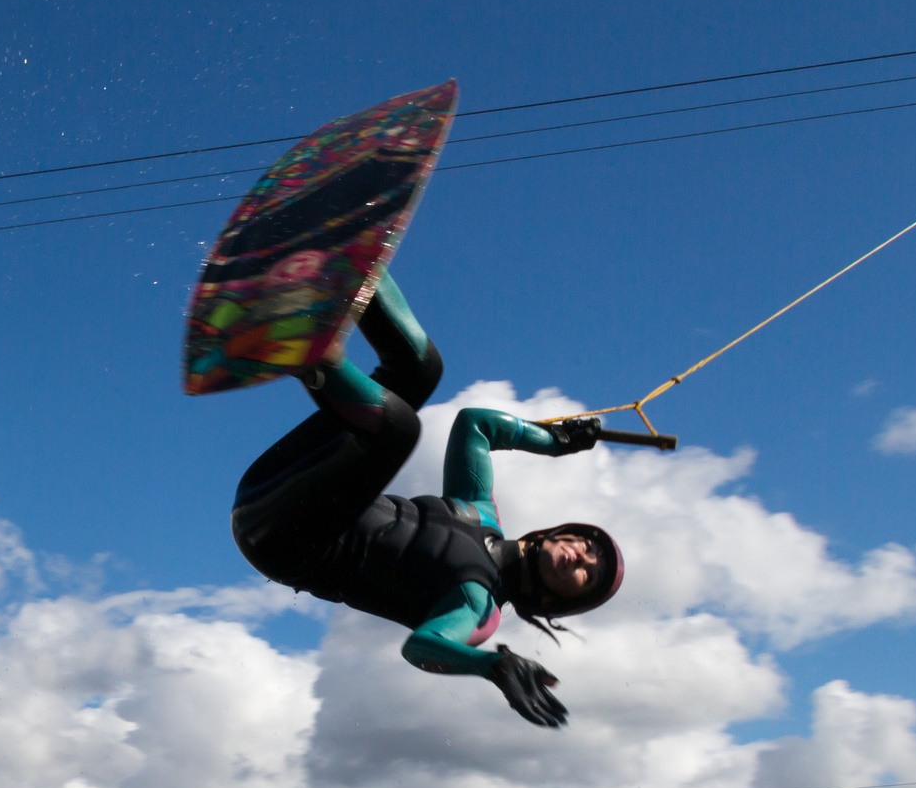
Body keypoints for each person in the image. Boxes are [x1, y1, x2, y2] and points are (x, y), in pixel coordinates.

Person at [229, 274, 623, 728]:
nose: (582, 558)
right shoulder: (480, 512)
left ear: (559, 600)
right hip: (275, 487)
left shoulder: (480, 608)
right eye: (589, 549)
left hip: (283, 541)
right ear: (566, 532)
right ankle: (353, 268)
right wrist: (554, 442)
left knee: (398, 430)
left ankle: (302, 345)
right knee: (419, 369)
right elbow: (475, 424)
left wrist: (490, 666)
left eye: (586, 575)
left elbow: (421, 648)